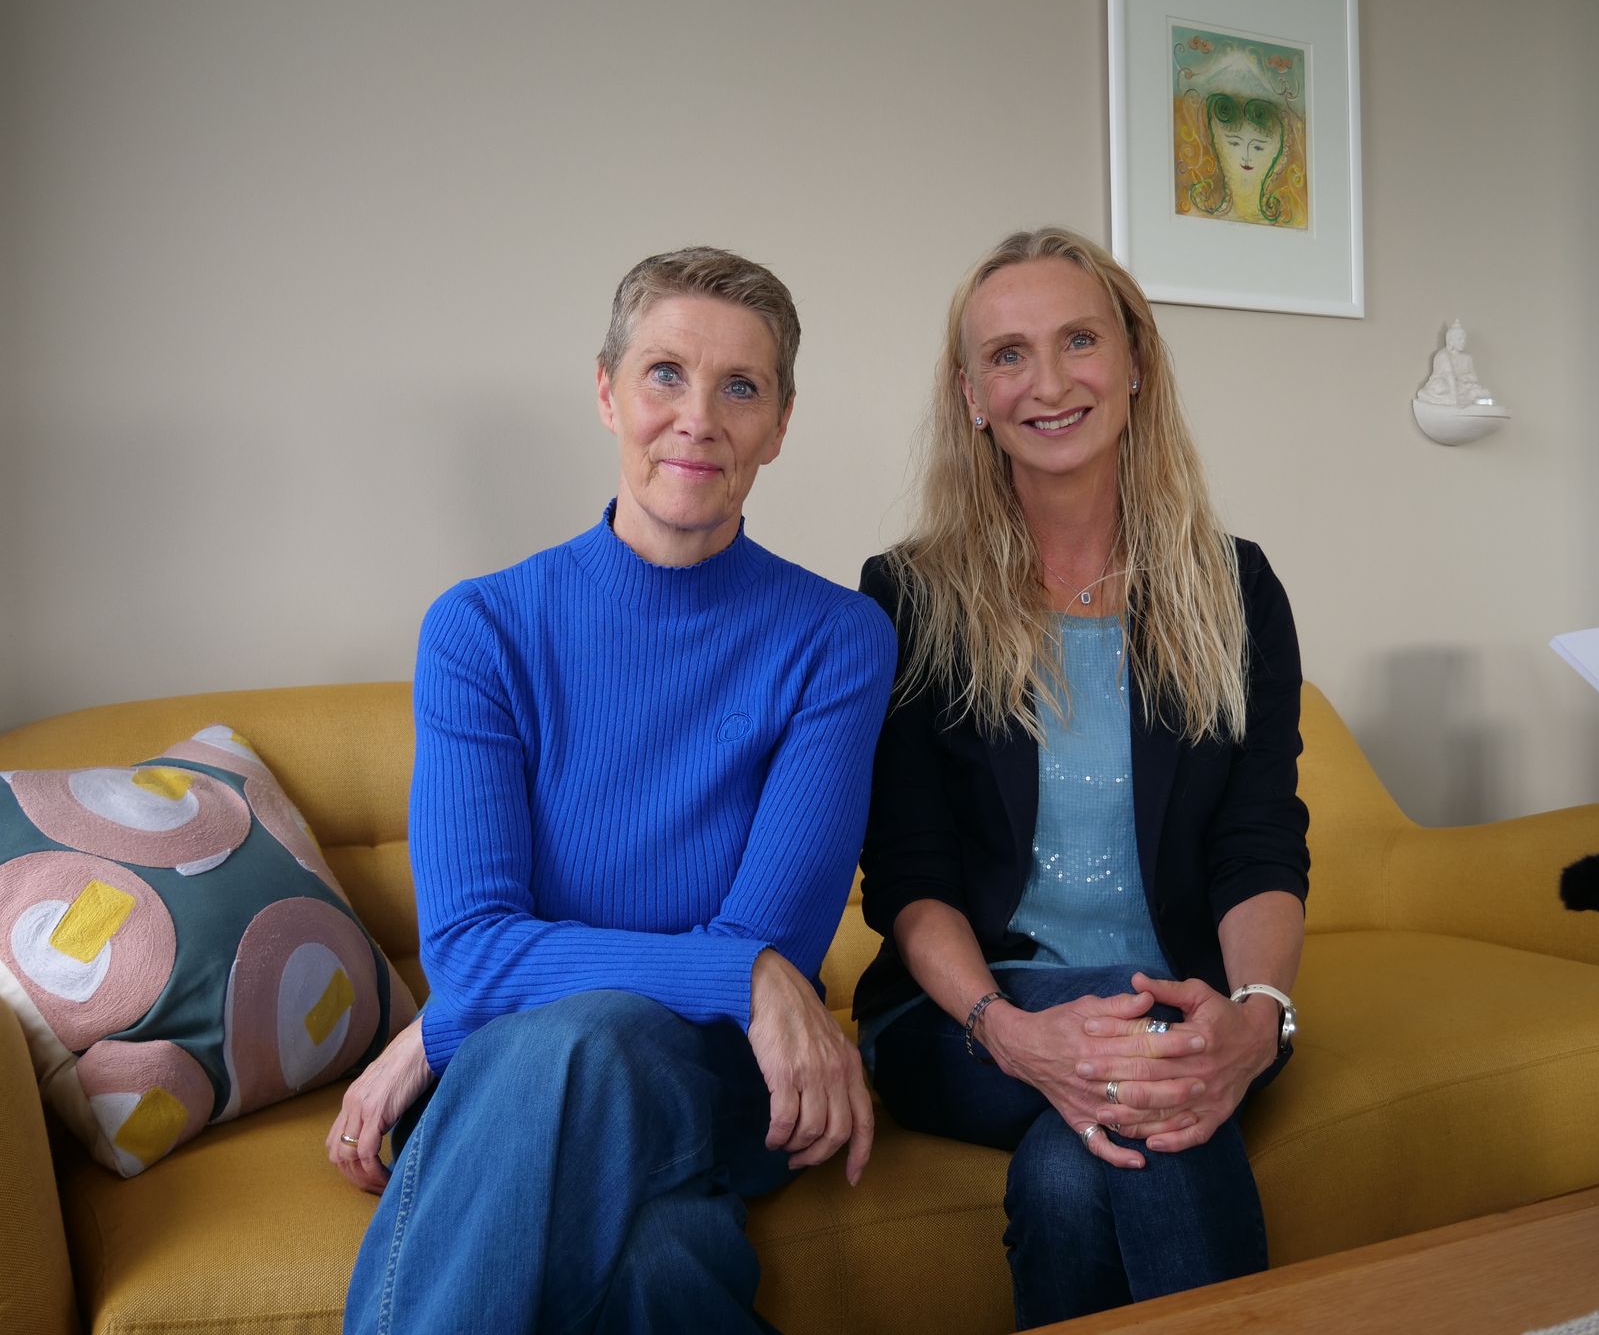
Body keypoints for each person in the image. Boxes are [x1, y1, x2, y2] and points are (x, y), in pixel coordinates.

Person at [330, 247, 895, 1334]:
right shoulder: (481, 630)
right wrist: (739, 971)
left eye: (741, 387)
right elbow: (473, 950)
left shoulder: (838, 641)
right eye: (664, 374)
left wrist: (444, 1030)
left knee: (583, 1040)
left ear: (779, 425)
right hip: (524, 1074)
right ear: (606, 392)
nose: (699, 419)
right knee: (661, 1262)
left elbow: (773, 939)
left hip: (718, 1079)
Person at [853, 227, 1310, 1328]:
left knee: (1072, 1177)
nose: (1049, 383)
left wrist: (1259, 1016)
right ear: (971, 395)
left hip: (1185, 1014)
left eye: (1079, 341)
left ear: (1135, 361)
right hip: (964, 1022)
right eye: (1008, 356)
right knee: (1145, 1068)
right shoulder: (909, 598)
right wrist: (1011, 1033)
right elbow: (909, 874)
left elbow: (1259, 841)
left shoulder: (1235, 589)